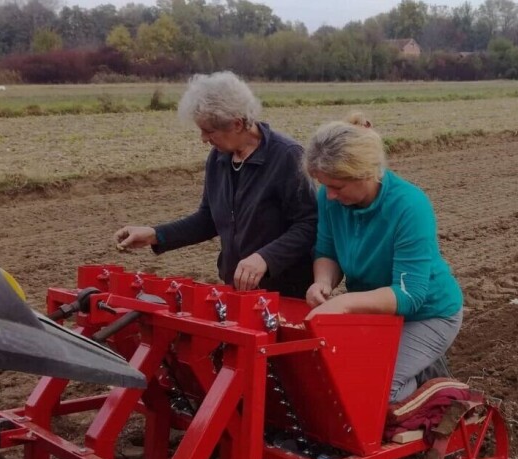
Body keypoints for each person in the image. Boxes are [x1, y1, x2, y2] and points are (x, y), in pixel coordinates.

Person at [302, 113, 463, 403]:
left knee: (376, 390)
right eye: (326, 186)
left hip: (428, 313)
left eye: (338, 186)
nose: (331, 196)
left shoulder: (409, 206)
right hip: (375, 310)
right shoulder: (330, 198)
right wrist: (322, 282)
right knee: (336, 379)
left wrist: (344, 303)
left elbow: (410, 295)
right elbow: (326, 251)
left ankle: (434, 403)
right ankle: (420, 372)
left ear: (365, 173)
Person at [114, 72, 316, 297]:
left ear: (237, 124)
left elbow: (308, 224)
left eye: (209, 131)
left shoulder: (286, 156)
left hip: (285, 292)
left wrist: (265, 258)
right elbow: (208, 219)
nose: (203, 138)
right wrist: (154, 234)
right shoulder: (219, 158)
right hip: (236, 289)